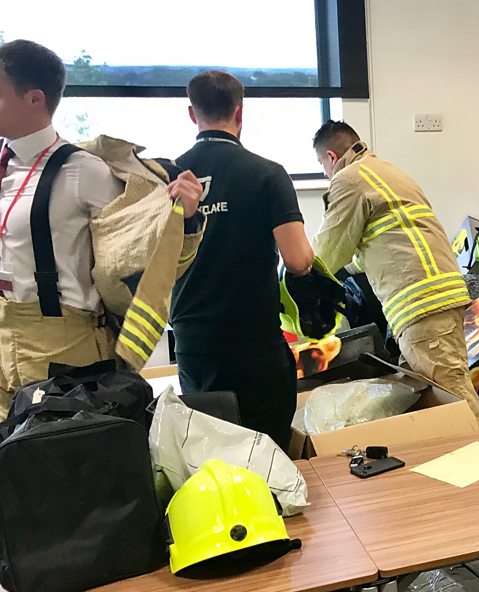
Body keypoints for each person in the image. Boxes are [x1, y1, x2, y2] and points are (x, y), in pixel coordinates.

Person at [0, 39, 202, 417]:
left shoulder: (84, 171)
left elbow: (142, 253)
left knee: (59, 460)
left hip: (62, 346)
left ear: (34, 99)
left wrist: (180, 215)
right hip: (3, 334)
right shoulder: (5, 165)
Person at [311, 120, 479, 430]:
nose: (326, 175)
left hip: (420, 303)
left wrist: (293, 269)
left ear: (330, 157)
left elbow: (328, 251)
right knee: (422, 394)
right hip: (440, 294)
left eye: (322, 167)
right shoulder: (388, 172)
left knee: (453, 396)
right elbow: (376, 248)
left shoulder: (349, 180)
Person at [172, 71, 315, 449]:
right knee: (266, 452)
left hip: (193, 340)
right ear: (240, 112)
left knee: (209, 449)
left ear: (192, 114)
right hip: (252, 341)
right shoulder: (267, 174)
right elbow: (299, 260)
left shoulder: (170, 177)